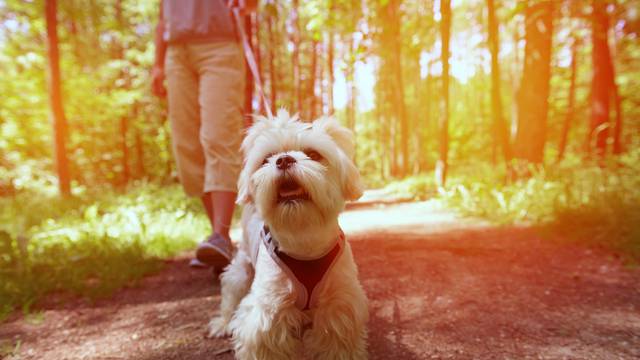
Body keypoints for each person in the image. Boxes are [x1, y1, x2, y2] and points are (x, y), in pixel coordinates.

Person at [152, 0, 256, 269]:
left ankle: (220, 235)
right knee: (186, 145)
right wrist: (158, 64)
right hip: (176, 52)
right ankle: (219, 240)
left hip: (220, 45)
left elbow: (251, 4)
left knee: (218, 136)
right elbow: (162, 16)